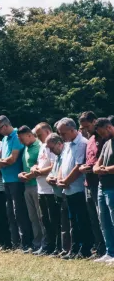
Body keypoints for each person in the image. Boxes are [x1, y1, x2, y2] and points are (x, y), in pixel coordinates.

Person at [0, 115, 33, 252]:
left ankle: (25, 243)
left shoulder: (16, 135)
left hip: (16, 180)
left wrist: (1, 162)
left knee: (19, 213)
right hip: (6, 180)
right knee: (10, 213)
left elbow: (12, 159)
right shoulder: (4, 139)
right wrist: (1, 162)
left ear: (5, 126)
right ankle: (15, 243)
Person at [56, 117, 93, 259]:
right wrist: (60, 178)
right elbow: (63, 164)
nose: (61, 136)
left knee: (81, 220)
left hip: (78, 188)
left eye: (63, 133)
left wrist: (65, 181)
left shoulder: (81, 143)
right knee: (73, 220)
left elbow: (78, 167)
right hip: (69, 189)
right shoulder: (67, 144)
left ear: (72, 130)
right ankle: (75, 248)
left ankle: (85, 249)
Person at [79, 111, 106, 257]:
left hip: (99, 182)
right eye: (83, 127)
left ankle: (108, 248)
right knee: (93, 218)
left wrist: (91, 167)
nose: (85, 130)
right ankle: (100, 248)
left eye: (87, 126)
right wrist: (84, 167)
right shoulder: (89, 139)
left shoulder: (103, 138)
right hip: (87, 183)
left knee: (102, 217)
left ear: (95, 121)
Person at [30, 123, 58, 255]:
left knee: (53, 219)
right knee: (44, 219)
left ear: (47, 132)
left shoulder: (51, 146)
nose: (37, 137)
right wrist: (34, 168)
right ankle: (46, 245)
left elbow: (53, 166)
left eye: (39, 135)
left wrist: (39, 171)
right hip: (41, 188)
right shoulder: (42, 146)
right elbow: (39, 163)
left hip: (50, 189)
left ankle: (53, 246)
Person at [17, 125, 44, 251]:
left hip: (37, 185)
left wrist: (29, 175)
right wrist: (21, 174)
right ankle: (37, 243)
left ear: (29, 135)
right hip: (27, 186)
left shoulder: (39, 146)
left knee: (40, 216)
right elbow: (27, 166)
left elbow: (41, 164)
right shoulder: (26, 149)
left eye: (22, 139)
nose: (21, 142)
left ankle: (45, 242)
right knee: (33, 217)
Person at [45, 133, 72, 256]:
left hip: (66, 193)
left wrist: (57, 179)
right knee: (61, 223)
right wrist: (49, 178)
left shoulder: (66, 155)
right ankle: (62, 248)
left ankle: (68, 249)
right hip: (57, 194)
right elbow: (52, 172)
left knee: (67, 223)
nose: (51, 151)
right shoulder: (57, 156)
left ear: (59, 144)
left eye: (52, 148)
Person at [93, 118, 114, 263]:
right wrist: (96, 168)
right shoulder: (106, 143)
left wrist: (105, 170)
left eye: (102, 133)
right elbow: (97, 163)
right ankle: (109, 252)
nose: (102, 136)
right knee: (104, 221)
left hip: (112, 187)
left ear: (109, 127)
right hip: (102, 186)